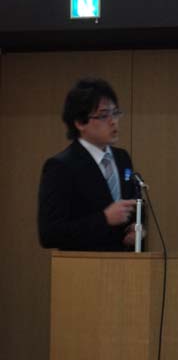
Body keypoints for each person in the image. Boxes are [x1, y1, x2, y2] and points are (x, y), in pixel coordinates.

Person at [38, 78, 139, 251]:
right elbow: (49, 234)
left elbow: (133, 204)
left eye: (115, 113)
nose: (113, 121)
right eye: (104, 115)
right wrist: (104, 219)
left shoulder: (122, 158)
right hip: (83, 265)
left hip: (125, 263)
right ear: (80, 122)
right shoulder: (61, 167)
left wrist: (136, 228)